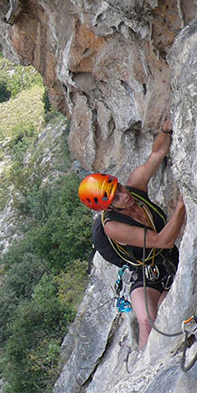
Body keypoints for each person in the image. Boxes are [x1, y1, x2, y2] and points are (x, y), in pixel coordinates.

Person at [78, 119, 186, 349]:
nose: (124, 195)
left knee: (174, 306)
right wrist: (181, 207)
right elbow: (162, 241)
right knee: (147, 320)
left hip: (172, 260)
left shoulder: (135, 188)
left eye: (120, 189)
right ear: (108, 207)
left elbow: (156, 154)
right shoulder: (113, 226)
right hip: (145, 272)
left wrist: (166, 130)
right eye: (116, 198)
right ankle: (144, 371)